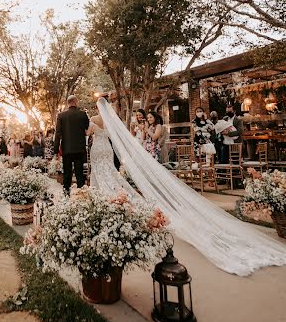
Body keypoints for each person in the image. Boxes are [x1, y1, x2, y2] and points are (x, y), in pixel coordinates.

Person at [89, 97, 286, 276]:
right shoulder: (111, 121)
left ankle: (106, 196)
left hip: (99, 149)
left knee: (103, 174)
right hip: (106, 149)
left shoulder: (95, 118)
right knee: (108, 174)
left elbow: (89, 132)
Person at [54, 95, 89, 196]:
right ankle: (81, 195)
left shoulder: (61, 116)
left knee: (67, 174)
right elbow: (87, 129)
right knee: (79, 174)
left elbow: (58, 134)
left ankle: (66, 195)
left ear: (68, 103)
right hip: (79, 149)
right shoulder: (82, 114)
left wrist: (56, 151)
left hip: (67, 150)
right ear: (76, 102)